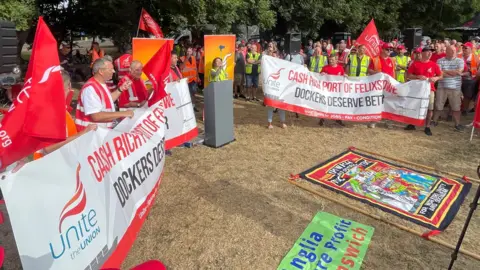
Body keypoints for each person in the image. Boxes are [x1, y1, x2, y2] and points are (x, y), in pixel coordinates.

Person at [33, 71, 97, 160]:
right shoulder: (52, 112)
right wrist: (83, 133)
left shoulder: (55, 107)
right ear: (69, 86)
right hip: (51, 166)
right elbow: (48, 148)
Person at [75, 58, 134, 132]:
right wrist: (123, 113)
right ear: (101, 71)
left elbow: (107, 101)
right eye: (110, 69)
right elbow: (96, 116)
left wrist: (120, 89)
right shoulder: (90, 88)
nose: (113, 71)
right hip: (91, 135)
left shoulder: (100, 84)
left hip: (99, 132)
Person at [405, 47, 443, 136]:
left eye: (431, 52)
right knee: (415, 106)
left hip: (430, 90)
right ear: (422, 53)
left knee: (429, 108)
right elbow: (409, 75)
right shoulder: (415, 64)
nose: (430, 54)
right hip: (417, 90)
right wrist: (418, 76)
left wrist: (435, 78)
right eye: (428, 52)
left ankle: (427, 126)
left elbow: (441, 75)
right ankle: (412, 123)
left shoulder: (434, 64)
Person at [433, 46, 465, 131]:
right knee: (438, 105)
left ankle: (457, 124)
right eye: (452, 50)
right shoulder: (440, 60)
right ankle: (434, 121)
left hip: (455, 88)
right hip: (442, 87)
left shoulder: (460, 60)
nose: (454, 52)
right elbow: (439, 72)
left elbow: (459, 71)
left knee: (456, 107)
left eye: (455, 50)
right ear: (447, 51)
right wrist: (452, 72)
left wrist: (445, 71)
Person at [319, 54, 345, 127]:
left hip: (337, 91)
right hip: (327, 90)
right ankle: (322, 119)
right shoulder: (325, 68)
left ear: (336, 60)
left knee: (337, 104)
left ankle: (338, 119)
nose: (331, 61)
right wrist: (321, 74)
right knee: (325, 104)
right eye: (330, 60)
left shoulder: (340, 68)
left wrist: (345, 76)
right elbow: (319, 76)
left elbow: (343, 77)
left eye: (332, 60)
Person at [266, 51, 287, 129]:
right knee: (271, 106)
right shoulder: (269, 66)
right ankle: (269, 123)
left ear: (278, 57)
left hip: (280, 88)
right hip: (272, 87)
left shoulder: (282, 65)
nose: (274, 58)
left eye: (275, 56)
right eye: (273, 57)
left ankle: (283, 122)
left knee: (281, 106)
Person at [461, 42, 480, 115]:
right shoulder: (459, 56)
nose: (464, 49)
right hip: (458, 78)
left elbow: (476, 70)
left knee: (467, 95)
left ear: (471, 49)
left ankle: (465, 110)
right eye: (463, 47)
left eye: (466, 48)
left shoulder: (475, 57)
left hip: (470, 80)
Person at [180, 47, 200, 112]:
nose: (189, 52)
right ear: (186, 52)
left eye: (190, 51)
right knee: (186, 94)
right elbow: (181, 67)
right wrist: (187, 58)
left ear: (192, 52)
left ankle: (193, 106)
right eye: (187, 51)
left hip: (193, 79)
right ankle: (186, 108)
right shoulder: (182, 58)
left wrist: (198, 77)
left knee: (193, 94)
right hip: (186, 80)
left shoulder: (194, 58)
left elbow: (195, 68)